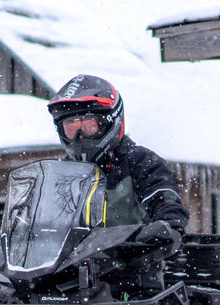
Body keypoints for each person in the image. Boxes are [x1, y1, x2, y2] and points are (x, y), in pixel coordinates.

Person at [46, 74, 187, 254]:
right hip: (69, 266)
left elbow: (164, 198)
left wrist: (168, 224)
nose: (80, 135)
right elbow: (42, 217)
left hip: (133, 263)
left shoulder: (140, 161)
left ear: (110, 120)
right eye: (71, 128)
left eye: (88, 125)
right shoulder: (62, 174)